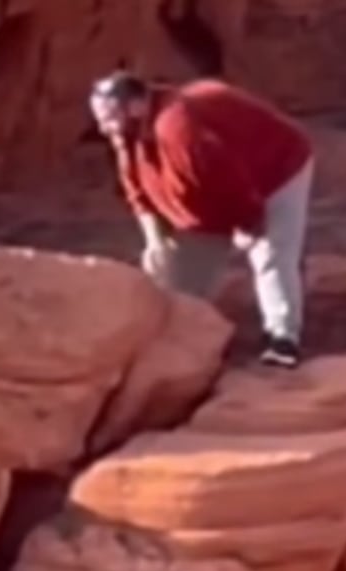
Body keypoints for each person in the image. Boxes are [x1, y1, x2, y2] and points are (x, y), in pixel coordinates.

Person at [89, 71, 315, 368]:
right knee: (176, 275)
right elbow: (135, 188)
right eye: (100, 119)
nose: (104, 128)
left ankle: (283, 340)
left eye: (110, 117)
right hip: (203, 201)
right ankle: (176, 344)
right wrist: (154, 240)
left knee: (270, 255)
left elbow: (229, 181)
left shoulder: (180, 130)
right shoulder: (125, 132)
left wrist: (249, 222)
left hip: (273, 170)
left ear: (136, 106)